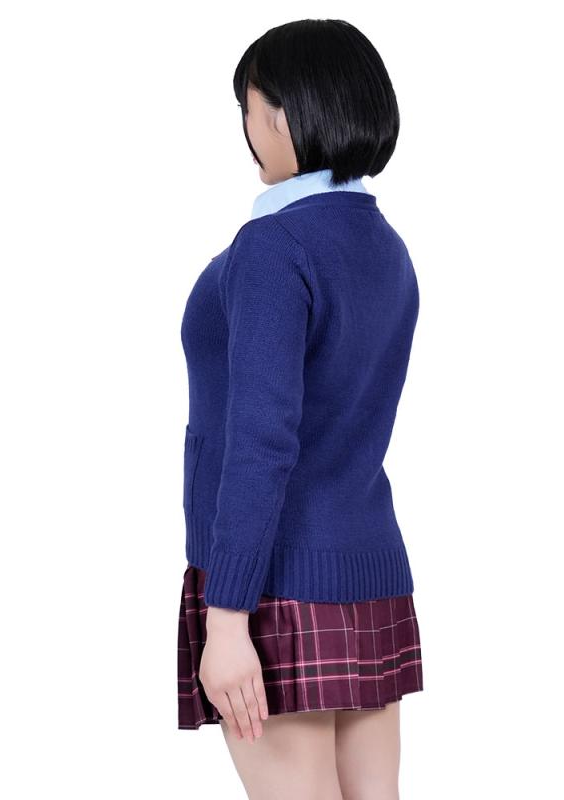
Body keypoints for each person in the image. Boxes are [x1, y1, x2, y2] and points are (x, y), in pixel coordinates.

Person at [178, 18, 423, 800]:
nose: (247, 128)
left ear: (286, 114)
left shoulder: (273, 247)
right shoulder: (385, 246)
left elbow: (262, 441)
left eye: (250, 107)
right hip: (367, 568)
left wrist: (226, 619)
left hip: (271, 581)